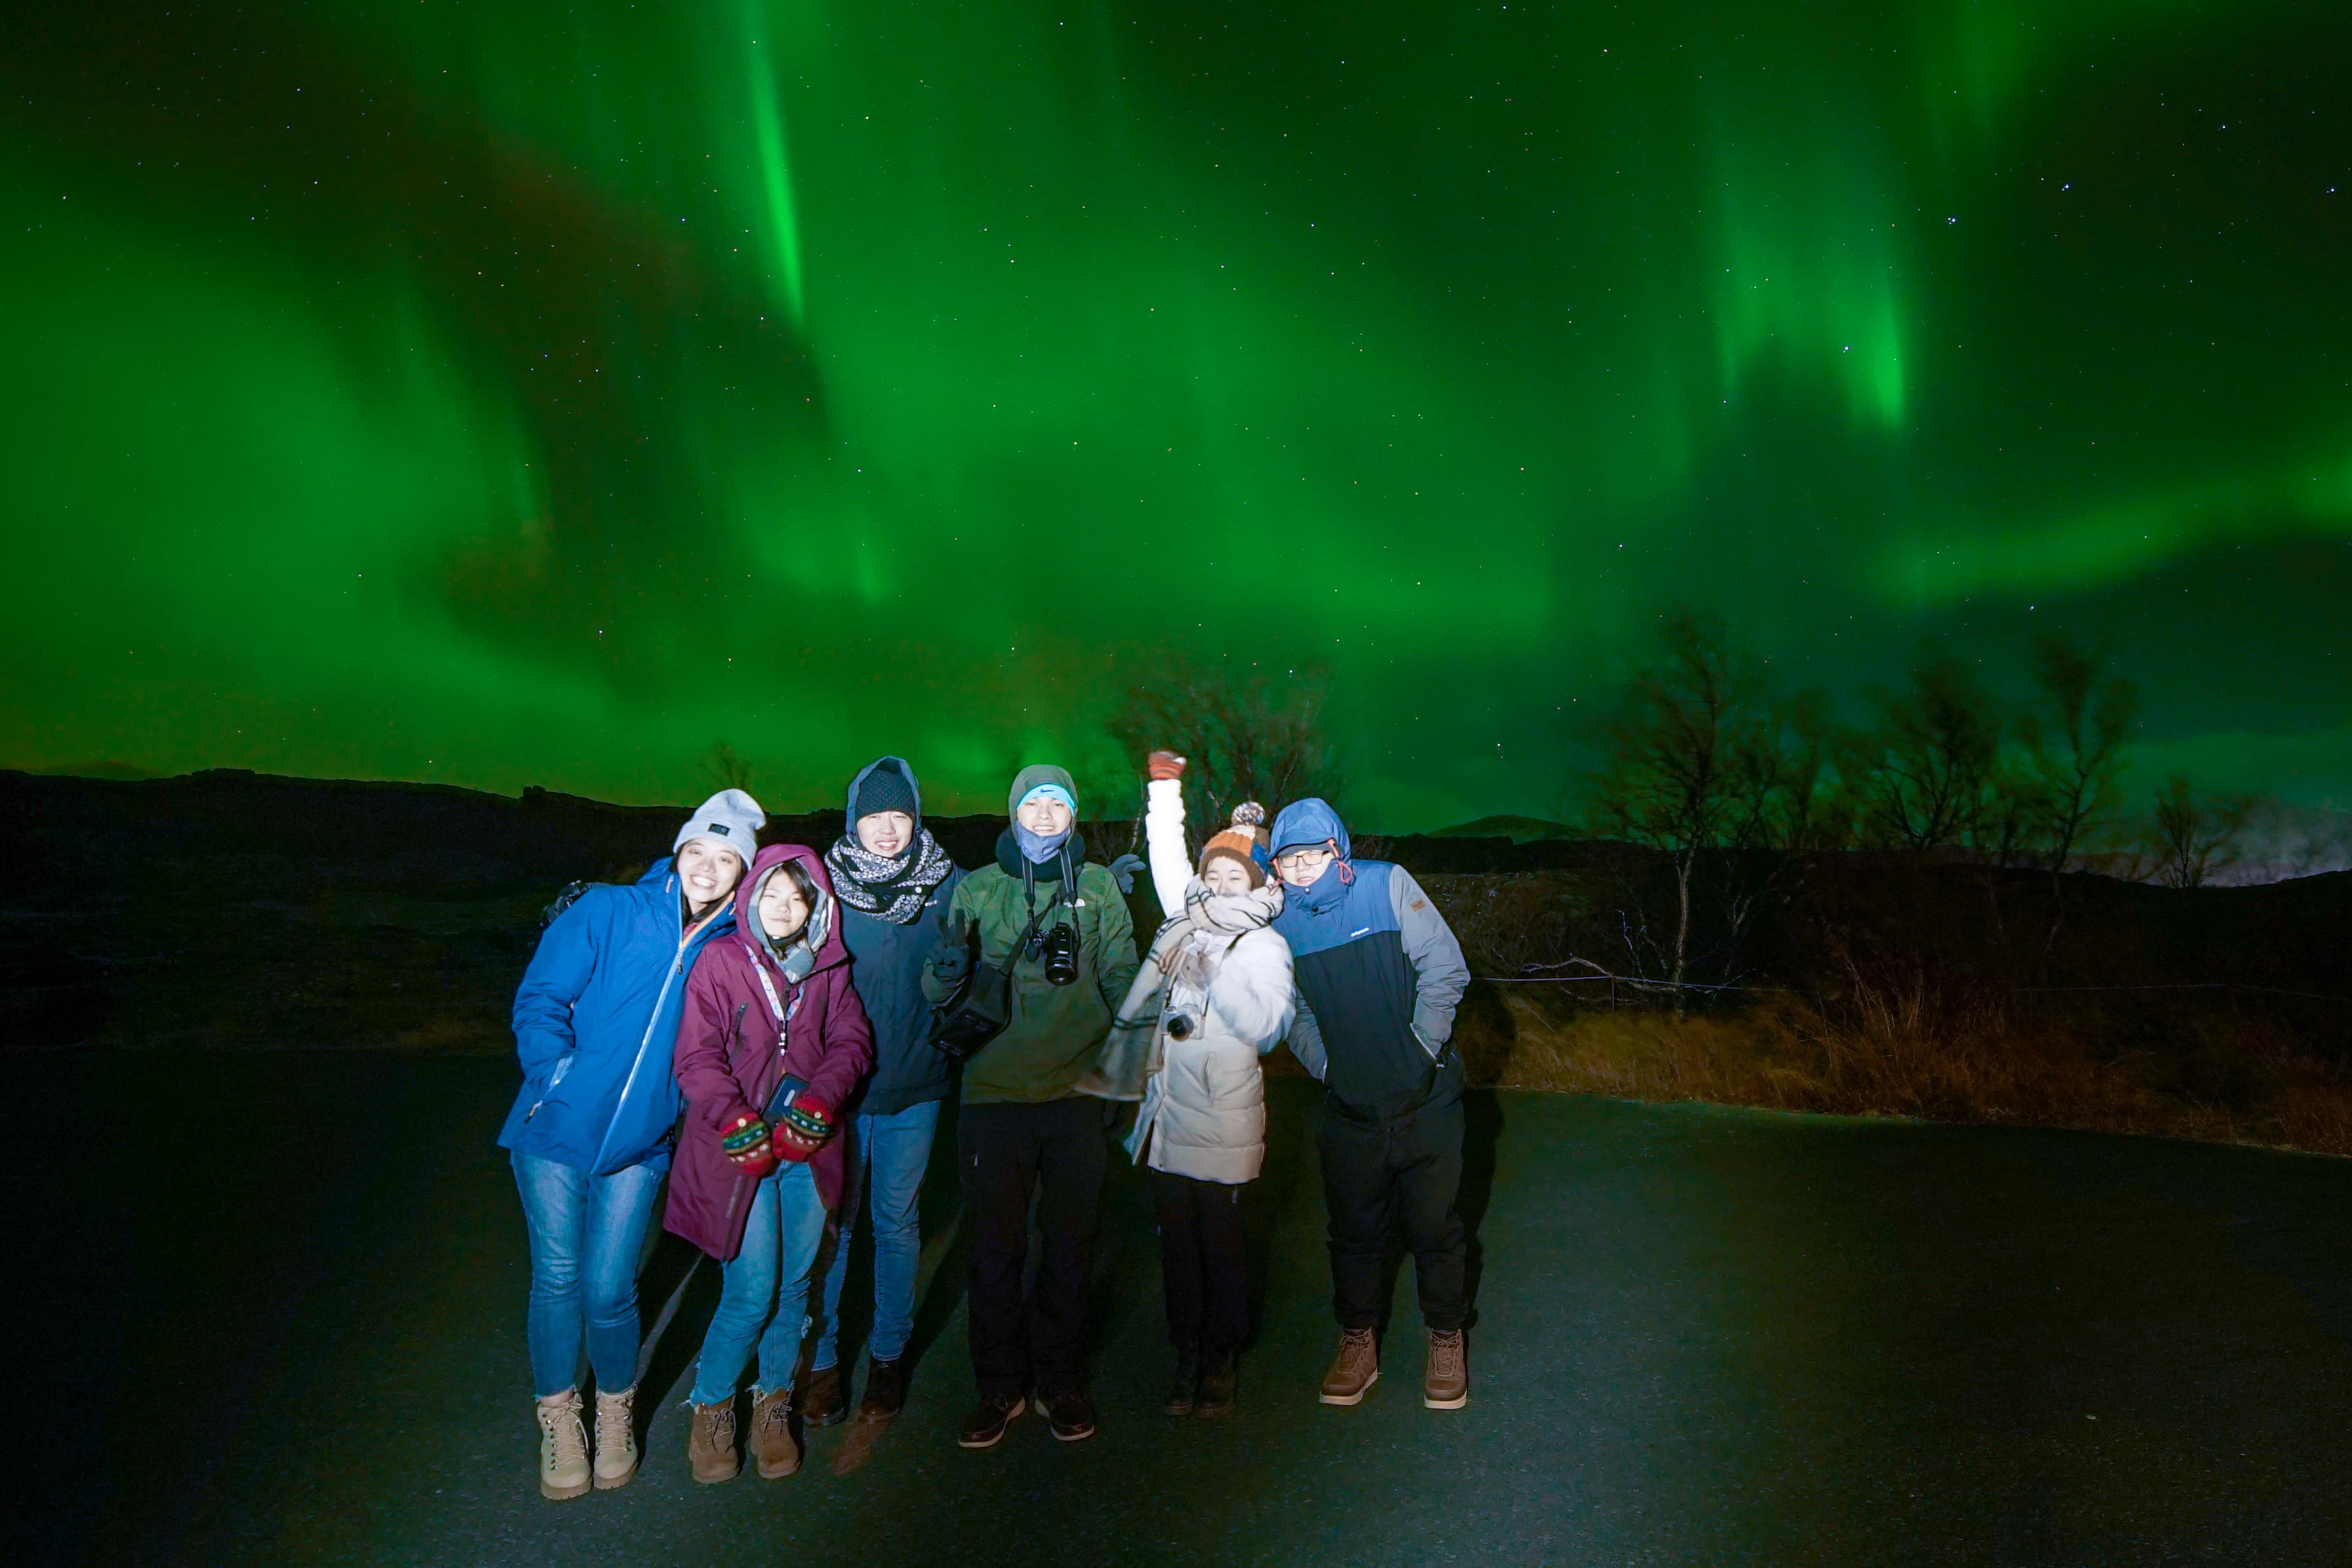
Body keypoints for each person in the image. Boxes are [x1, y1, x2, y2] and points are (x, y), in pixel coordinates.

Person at [500, 788, 764, 1501]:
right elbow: (539, 999)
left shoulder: (730, 949)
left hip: (640, 1146)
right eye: (698, 852)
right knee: (557, 1278)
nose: (708, 870)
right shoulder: (609, 911)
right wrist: (555, 1071)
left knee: (610, 1289)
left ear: (743, 872)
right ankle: (560, 1420)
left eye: (726, 858)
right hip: (551, 1129)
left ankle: (614, 1411)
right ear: (678, 853)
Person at [924, 763, 1139, 1448]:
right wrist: (949, 965)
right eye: (1033, 804)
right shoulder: (978, 888)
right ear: (1013, 813)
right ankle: (997, 1387)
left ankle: (1060, 1380)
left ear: (1071, 816)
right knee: (994, 1250)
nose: (1045, 817)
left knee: (1071, 1246)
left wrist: (1132, 1065)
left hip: (1074, 1094)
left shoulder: (1099, 886)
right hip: (993, 1096)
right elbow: (936, 992)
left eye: (1057, 805)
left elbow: (1121, 973)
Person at [1080, 752, 1292, 1418]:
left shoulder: (1262, 945)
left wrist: (1215, 971)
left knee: (1222, 1250)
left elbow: (1266, 1026)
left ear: (1255, 883)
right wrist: (1164, 789)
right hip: (1169, 1121)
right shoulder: (1184, 922)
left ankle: (1222, 1359)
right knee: (1176, 1248)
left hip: (1225, 1123)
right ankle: (1186, 1354)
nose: (1221, 884)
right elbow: (1166, 856)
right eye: (1214, 873)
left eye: (1236, 875)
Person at [664, 845, 874, 1483]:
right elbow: (696, 1057)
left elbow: (852, 1041)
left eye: (798, 898)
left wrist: (819, 1102)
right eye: (772, 896)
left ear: (814, 906)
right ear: (752, 898)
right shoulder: (722, 962)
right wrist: (734, 1121)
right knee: (751, 1291)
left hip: (806, 1152)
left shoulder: (829, 966)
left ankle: (773, 1406)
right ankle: (712, 1408)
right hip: (744, 1154)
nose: (784, 909)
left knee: (793, 1289)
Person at [1266, 797, 1474, 1412]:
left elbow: (1446, 966)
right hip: (1351, 1110)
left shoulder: (1386, 886)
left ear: (1338, 850)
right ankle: (1357, 1340)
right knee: (1354, 1235)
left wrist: (1421, 1048)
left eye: (1312, 855)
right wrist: (1325, 1066)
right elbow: (1290, 1009)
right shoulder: (1279, 923)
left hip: (1425, 1101)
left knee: (1436, 1228)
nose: (1302, 868)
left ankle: (1445, 1336)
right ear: (1277, 867)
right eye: (1289, 859)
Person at [801, 757, 965, 1425]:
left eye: (900, 815)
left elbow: (978, 969)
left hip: (917, 1085)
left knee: (896, 1227)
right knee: (833, 1229)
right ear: (854, 820)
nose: (889, 829)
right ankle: (822, 1363)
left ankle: (890, 1359)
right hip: (841, 1091)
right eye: (875, 816)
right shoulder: (822, 885)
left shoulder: (948, 885)